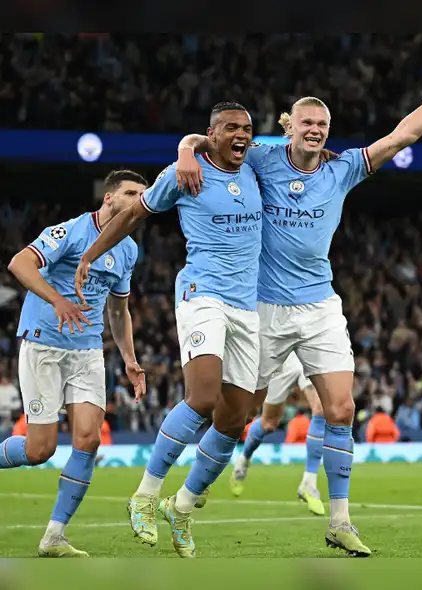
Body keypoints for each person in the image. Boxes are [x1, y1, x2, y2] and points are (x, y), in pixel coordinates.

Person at [172, 64, 422, 556]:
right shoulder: (262, 159)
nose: (314, 131)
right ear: (288, 125)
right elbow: (214, 138)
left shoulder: (342, 168)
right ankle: (185, 499)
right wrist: (187, 149)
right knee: (236, 418)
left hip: (321, 307)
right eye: (306, 123)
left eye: (322, 126)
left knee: (341, 409)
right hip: (263, 308)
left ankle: (339, 520)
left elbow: (403, 135)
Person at [75, 102, 263, 558]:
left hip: (246, 304)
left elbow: (297, 149)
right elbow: (134, 215)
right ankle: (144, 494)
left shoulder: (257, 164)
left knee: (237, 417)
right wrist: (89, 255)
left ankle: (180, 506)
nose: (242, 136)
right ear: (212, 134)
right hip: (202, 293)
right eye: (231, 129)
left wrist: (187, 144)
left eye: (248, 129)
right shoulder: (184, 175)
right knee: (201, 397)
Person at [0, 170, 147, 557]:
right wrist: (58, 300)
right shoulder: (70, 231)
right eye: (131, 192)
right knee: (39, 451)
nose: (139, 200)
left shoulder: (128, 250)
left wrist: (130, 359)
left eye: (143, 195)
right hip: (44, 346)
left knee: (89, 438)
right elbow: (19, 264)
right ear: (109, 199)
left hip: (86, 353)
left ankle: (54, 537)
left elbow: (119, 310)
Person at [230, 352, 327, 516]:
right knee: (269, 423)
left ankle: (309, 483)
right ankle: (243, 460)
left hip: (306, 351)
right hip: (281, 356)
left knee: (320, 409)